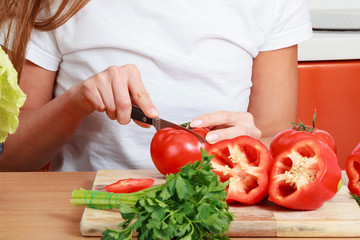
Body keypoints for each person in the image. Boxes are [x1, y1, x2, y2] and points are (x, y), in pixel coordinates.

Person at [0, 0, 313, 172]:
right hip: (84, 212)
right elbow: (9, 158)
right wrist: (74, 103)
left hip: (221, 207)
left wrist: (252, 146)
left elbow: (275, 139)